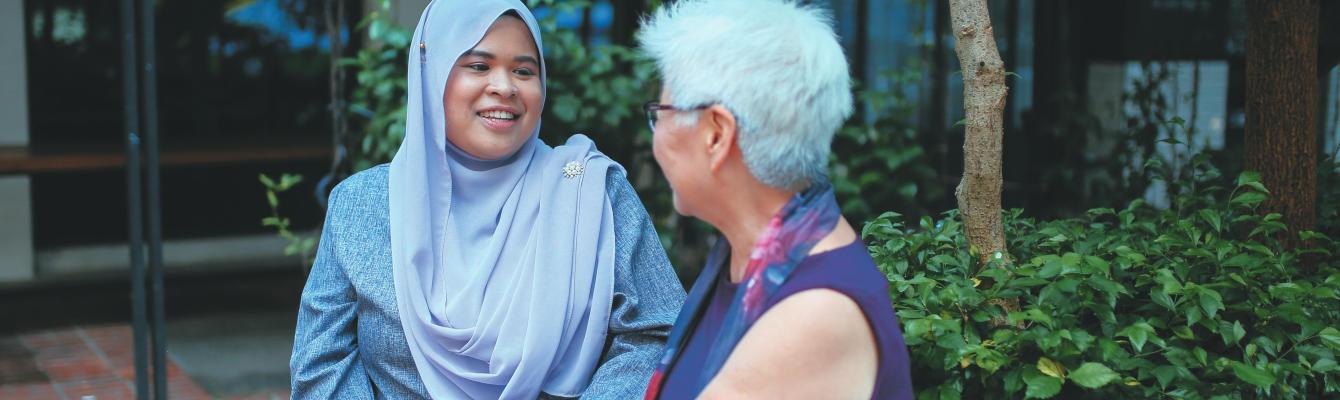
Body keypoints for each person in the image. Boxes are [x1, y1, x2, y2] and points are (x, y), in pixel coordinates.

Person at [289, 1, 685, 398]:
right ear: (432, 75)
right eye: (479, 66)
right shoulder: (362, 206)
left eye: (524, 71)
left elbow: (659, 333)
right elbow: (322, 363)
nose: (506, 87)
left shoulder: (593, 194)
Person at [636, 1, 914, 399]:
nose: (656, 132)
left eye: (660, 111)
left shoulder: (813, 315)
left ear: (716, 134)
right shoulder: (753, 253)